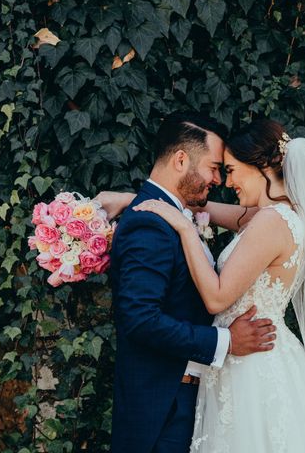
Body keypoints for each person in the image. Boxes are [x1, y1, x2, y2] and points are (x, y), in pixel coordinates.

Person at [106, 112, 278, 453]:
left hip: (189, 402)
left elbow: (273, 217)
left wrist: (129, 197)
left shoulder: (175, 214)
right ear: (181, 159)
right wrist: (225, 341)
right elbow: (140, 319)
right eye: (214, 167)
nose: (219, 179)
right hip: (164, 409)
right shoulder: (149, 224)